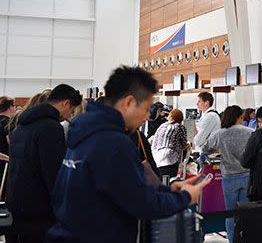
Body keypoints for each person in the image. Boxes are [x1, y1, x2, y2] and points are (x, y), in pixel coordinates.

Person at [47, 66, 211, 243]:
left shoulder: (85, 132)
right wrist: (185, 197)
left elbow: (121, 190)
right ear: (129, 102)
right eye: (146, 108)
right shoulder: (114, 141)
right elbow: (143, 204)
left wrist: (168, 190)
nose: (147, 116)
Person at [7, 84, 82, 243]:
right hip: (38, 211)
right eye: (72, 110)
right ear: (65, 103)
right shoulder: (51, 127)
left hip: (16, 204)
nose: (69, 115)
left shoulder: (22, 124)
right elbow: (53, 173)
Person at [202, 105, 253, 243]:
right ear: (239, 117)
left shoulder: (220, 133)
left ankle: (232, 240)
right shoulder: (250, 132)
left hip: (229, 177)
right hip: (247, 176)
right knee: (245, 213)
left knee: (230, 214)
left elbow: (205, 148)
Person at [151, 109, 188, 178]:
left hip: (156, 157)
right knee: (170, 181)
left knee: (160, 181)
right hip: (170, 157)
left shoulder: (162, 126)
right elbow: (183, 143)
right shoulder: (180, 127)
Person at [0, 96, 17, 162]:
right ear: (10, 108)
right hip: (5, 160)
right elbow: (12, 142)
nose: (15, 109)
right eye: (14, 106)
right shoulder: (9, 123)